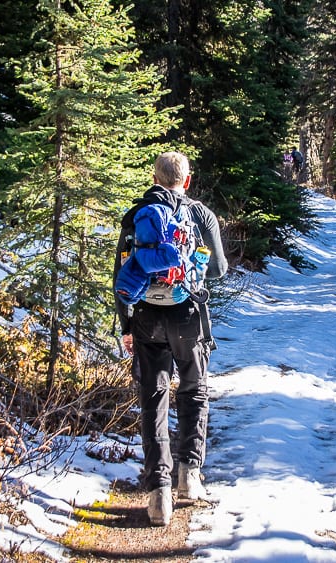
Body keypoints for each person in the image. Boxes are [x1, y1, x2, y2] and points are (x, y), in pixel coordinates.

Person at [113, 151, 228, 526]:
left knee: (153, 397)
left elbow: (122, 274)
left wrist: (126, 324)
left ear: (154, 177)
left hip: (146, 316)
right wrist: (191, 271)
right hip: (187, 315)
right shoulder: (200, 214)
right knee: (193, 389)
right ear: (187, 180)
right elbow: (220, 269)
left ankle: (158, 494)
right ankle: (189, 477)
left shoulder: (136, 216)